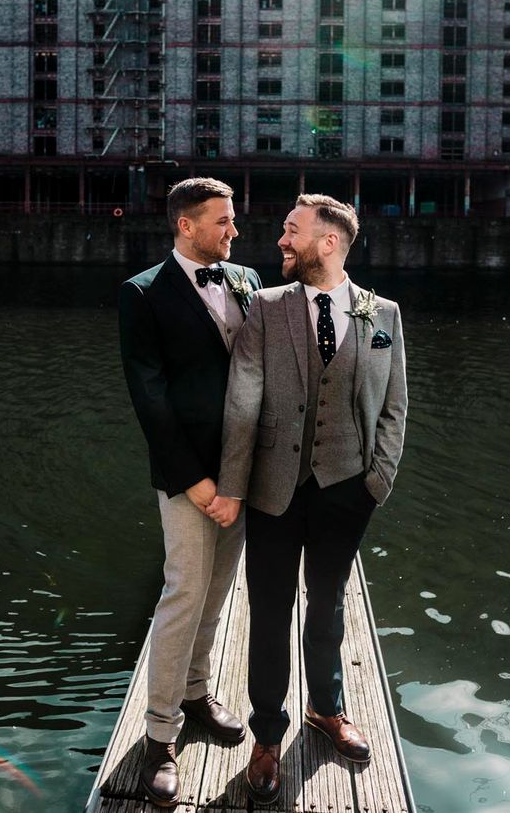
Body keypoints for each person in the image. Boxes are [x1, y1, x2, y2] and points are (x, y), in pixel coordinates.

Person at [208, 193, 407, 804]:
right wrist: (235, 488)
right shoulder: (266, 309)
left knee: (328, 607)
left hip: (348, 490)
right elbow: (242, 403)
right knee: (269, 612)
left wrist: (378, 480)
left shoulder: (384, 315)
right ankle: (267, 736)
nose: (281, 242)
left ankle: (328, 708)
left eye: (292, 232)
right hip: (273, 490)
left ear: (329, 242)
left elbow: (395, 405)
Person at [118, 177, 262, 808]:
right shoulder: (142, 294)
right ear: (186, 225)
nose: (234, 230)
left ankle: (198, 692)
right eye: (222, 221)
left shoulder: (247, 280)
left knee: (218, 591)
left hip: (245, 474)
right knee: (183, 591)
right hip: (188, 477)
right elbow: (148, 398)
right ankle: (158, 737)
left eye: (233, 220)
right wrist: (196, 481)